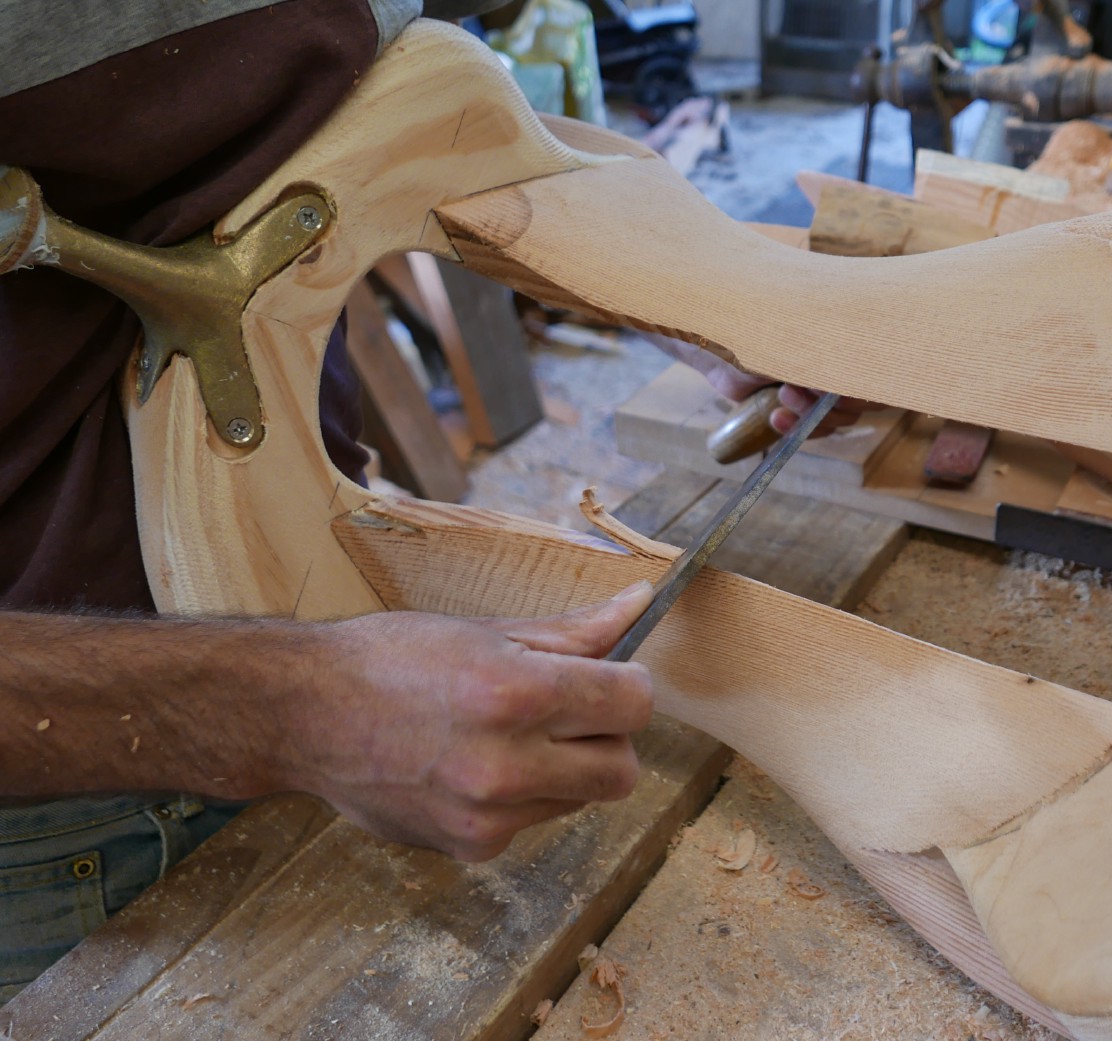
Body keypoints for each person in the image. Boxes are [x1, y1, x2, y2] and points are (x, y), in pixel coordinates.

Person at [0, 0, 869, 1001]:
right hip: (77, 793)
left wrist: (680, 284)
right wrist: (290, 710)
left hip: (343, 624)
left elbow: (393, 103)